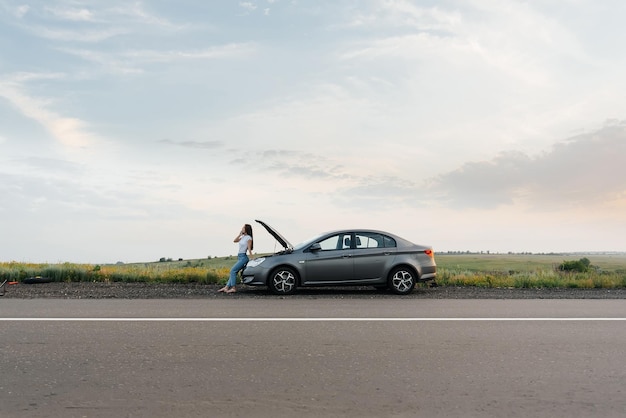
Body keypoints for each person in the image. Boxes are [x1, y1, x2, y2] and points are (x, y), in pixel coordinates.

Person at [219, 224, 254, 294]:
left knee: (233, 270)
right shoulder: (243, 237)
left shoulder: (249, 238)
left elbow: (249, 249)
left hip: (243, 258)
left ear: (246, 229)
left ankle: (233, 288)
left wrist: (252, 258)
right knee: (234, 272)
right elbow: (235, 240)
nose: (242, 228)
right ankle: (226, 287)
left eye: (243, 227)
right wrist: (240, 234)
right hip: (239, 257)